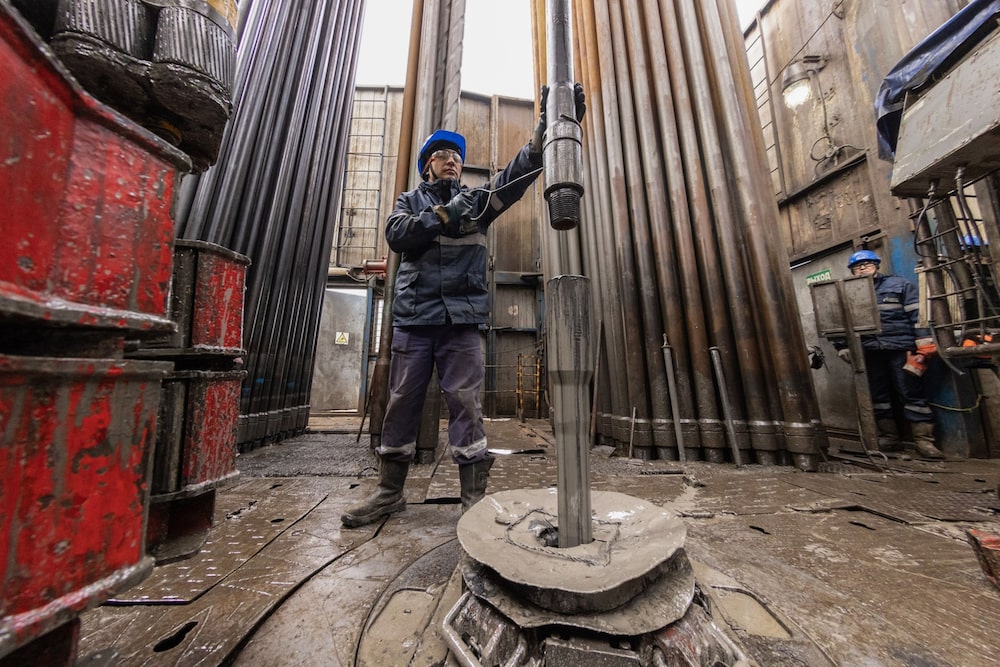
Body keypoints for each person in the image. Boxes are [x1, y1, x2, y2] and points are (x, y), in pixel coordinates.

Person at [341, 85, 587, 528]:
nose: (451, 159)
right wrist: (441, 216)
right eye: (441, 155)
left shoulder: (477, 203)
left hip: (461, 322)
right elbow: (397, 236)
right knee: (401, 403)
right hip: (415, 321)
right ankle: (388, 492)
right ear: (427, 167)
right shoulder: (409, 203)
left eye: (455, 155)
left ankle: (472, 497)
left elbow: (515, 176)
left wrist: (544, 133)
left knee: (466, 404)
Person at [834, 250, 945, 459]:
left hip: (901, 347)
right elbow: (837, 322)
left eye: (867, 263)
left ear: (877, 264)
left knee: (910, 392)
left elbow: (918, 316)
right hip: (870, 350)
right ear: (852, 270)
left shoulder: (899, 285)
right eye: (858, 266)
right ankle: (888, 437)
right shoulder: (849, 292)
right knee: (878, 395)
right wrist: (842, 346)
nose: (863, 267)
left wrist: (924, 347)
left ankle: (924, 441)